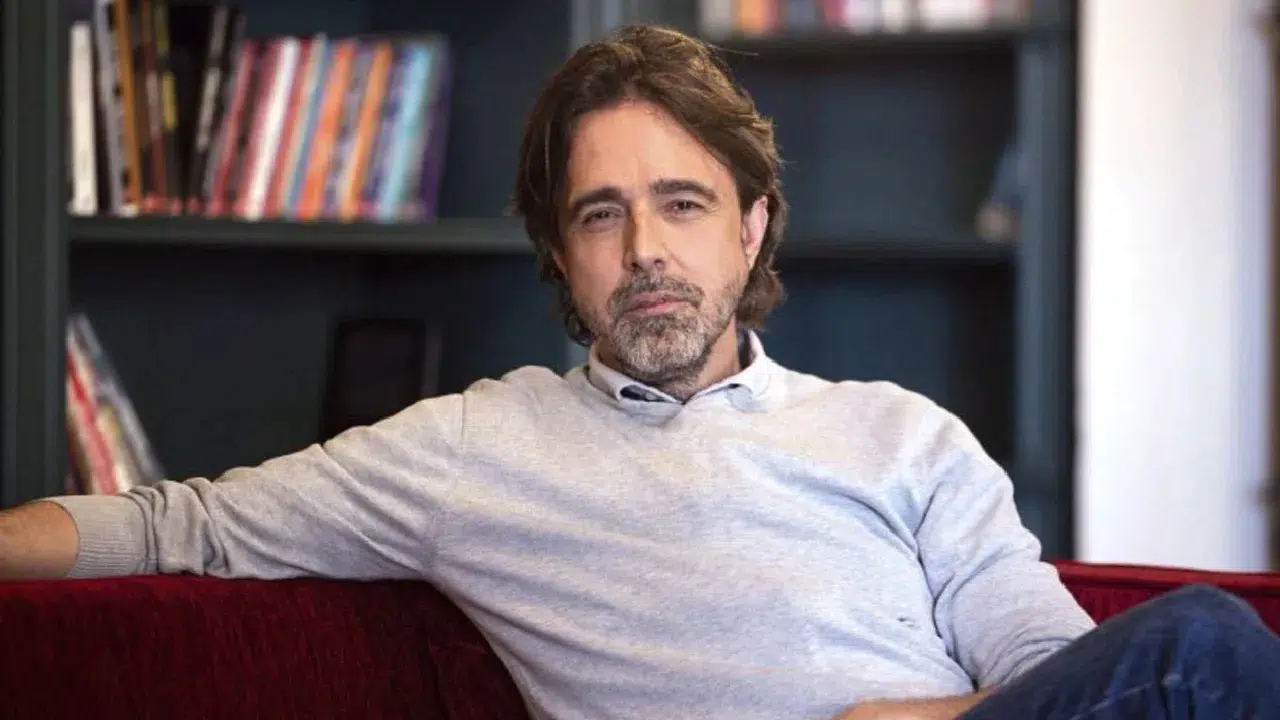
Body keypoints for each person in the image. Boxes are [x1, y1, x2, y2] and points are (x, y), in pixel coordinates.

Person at [2, 23, 1279, 720]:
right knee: (1208, 650)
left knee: (1194, 658)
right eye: (601, 214)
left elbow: (1055, 664)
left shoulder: (904, 435)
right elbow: (183, 524)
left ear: (751, 228)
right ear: (561, 254)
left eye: (682, 202)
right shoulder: (470, 449)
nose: (647, 250)